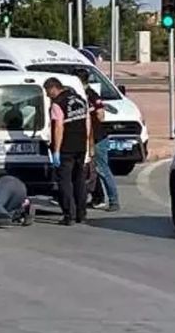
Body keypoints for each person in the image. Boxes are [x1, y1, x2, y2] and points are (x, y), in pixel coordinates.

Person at [44, 77, 91, 225]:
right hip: (81, 146)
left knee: (65, 182)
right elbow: (87, 123)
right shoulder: (80, 100)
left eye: (47, 92)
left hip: (66, 148)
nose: (47, 95)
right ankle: (81, 213)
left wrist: (56, 150)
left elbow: (59, 127)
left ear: (53, 88)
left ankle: (69, 215)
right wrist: (88, 144)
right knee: (80, 181)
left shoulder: (58, 104)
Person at [74, 69, 120, 212]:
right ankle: (97, 198)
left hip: (97, 138)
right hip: (90, 137)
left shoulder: (88, 95)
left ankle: (114, 200)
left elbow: (101, 116)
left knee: (102, 169)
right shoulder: (89, 95)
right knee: (92, 170)